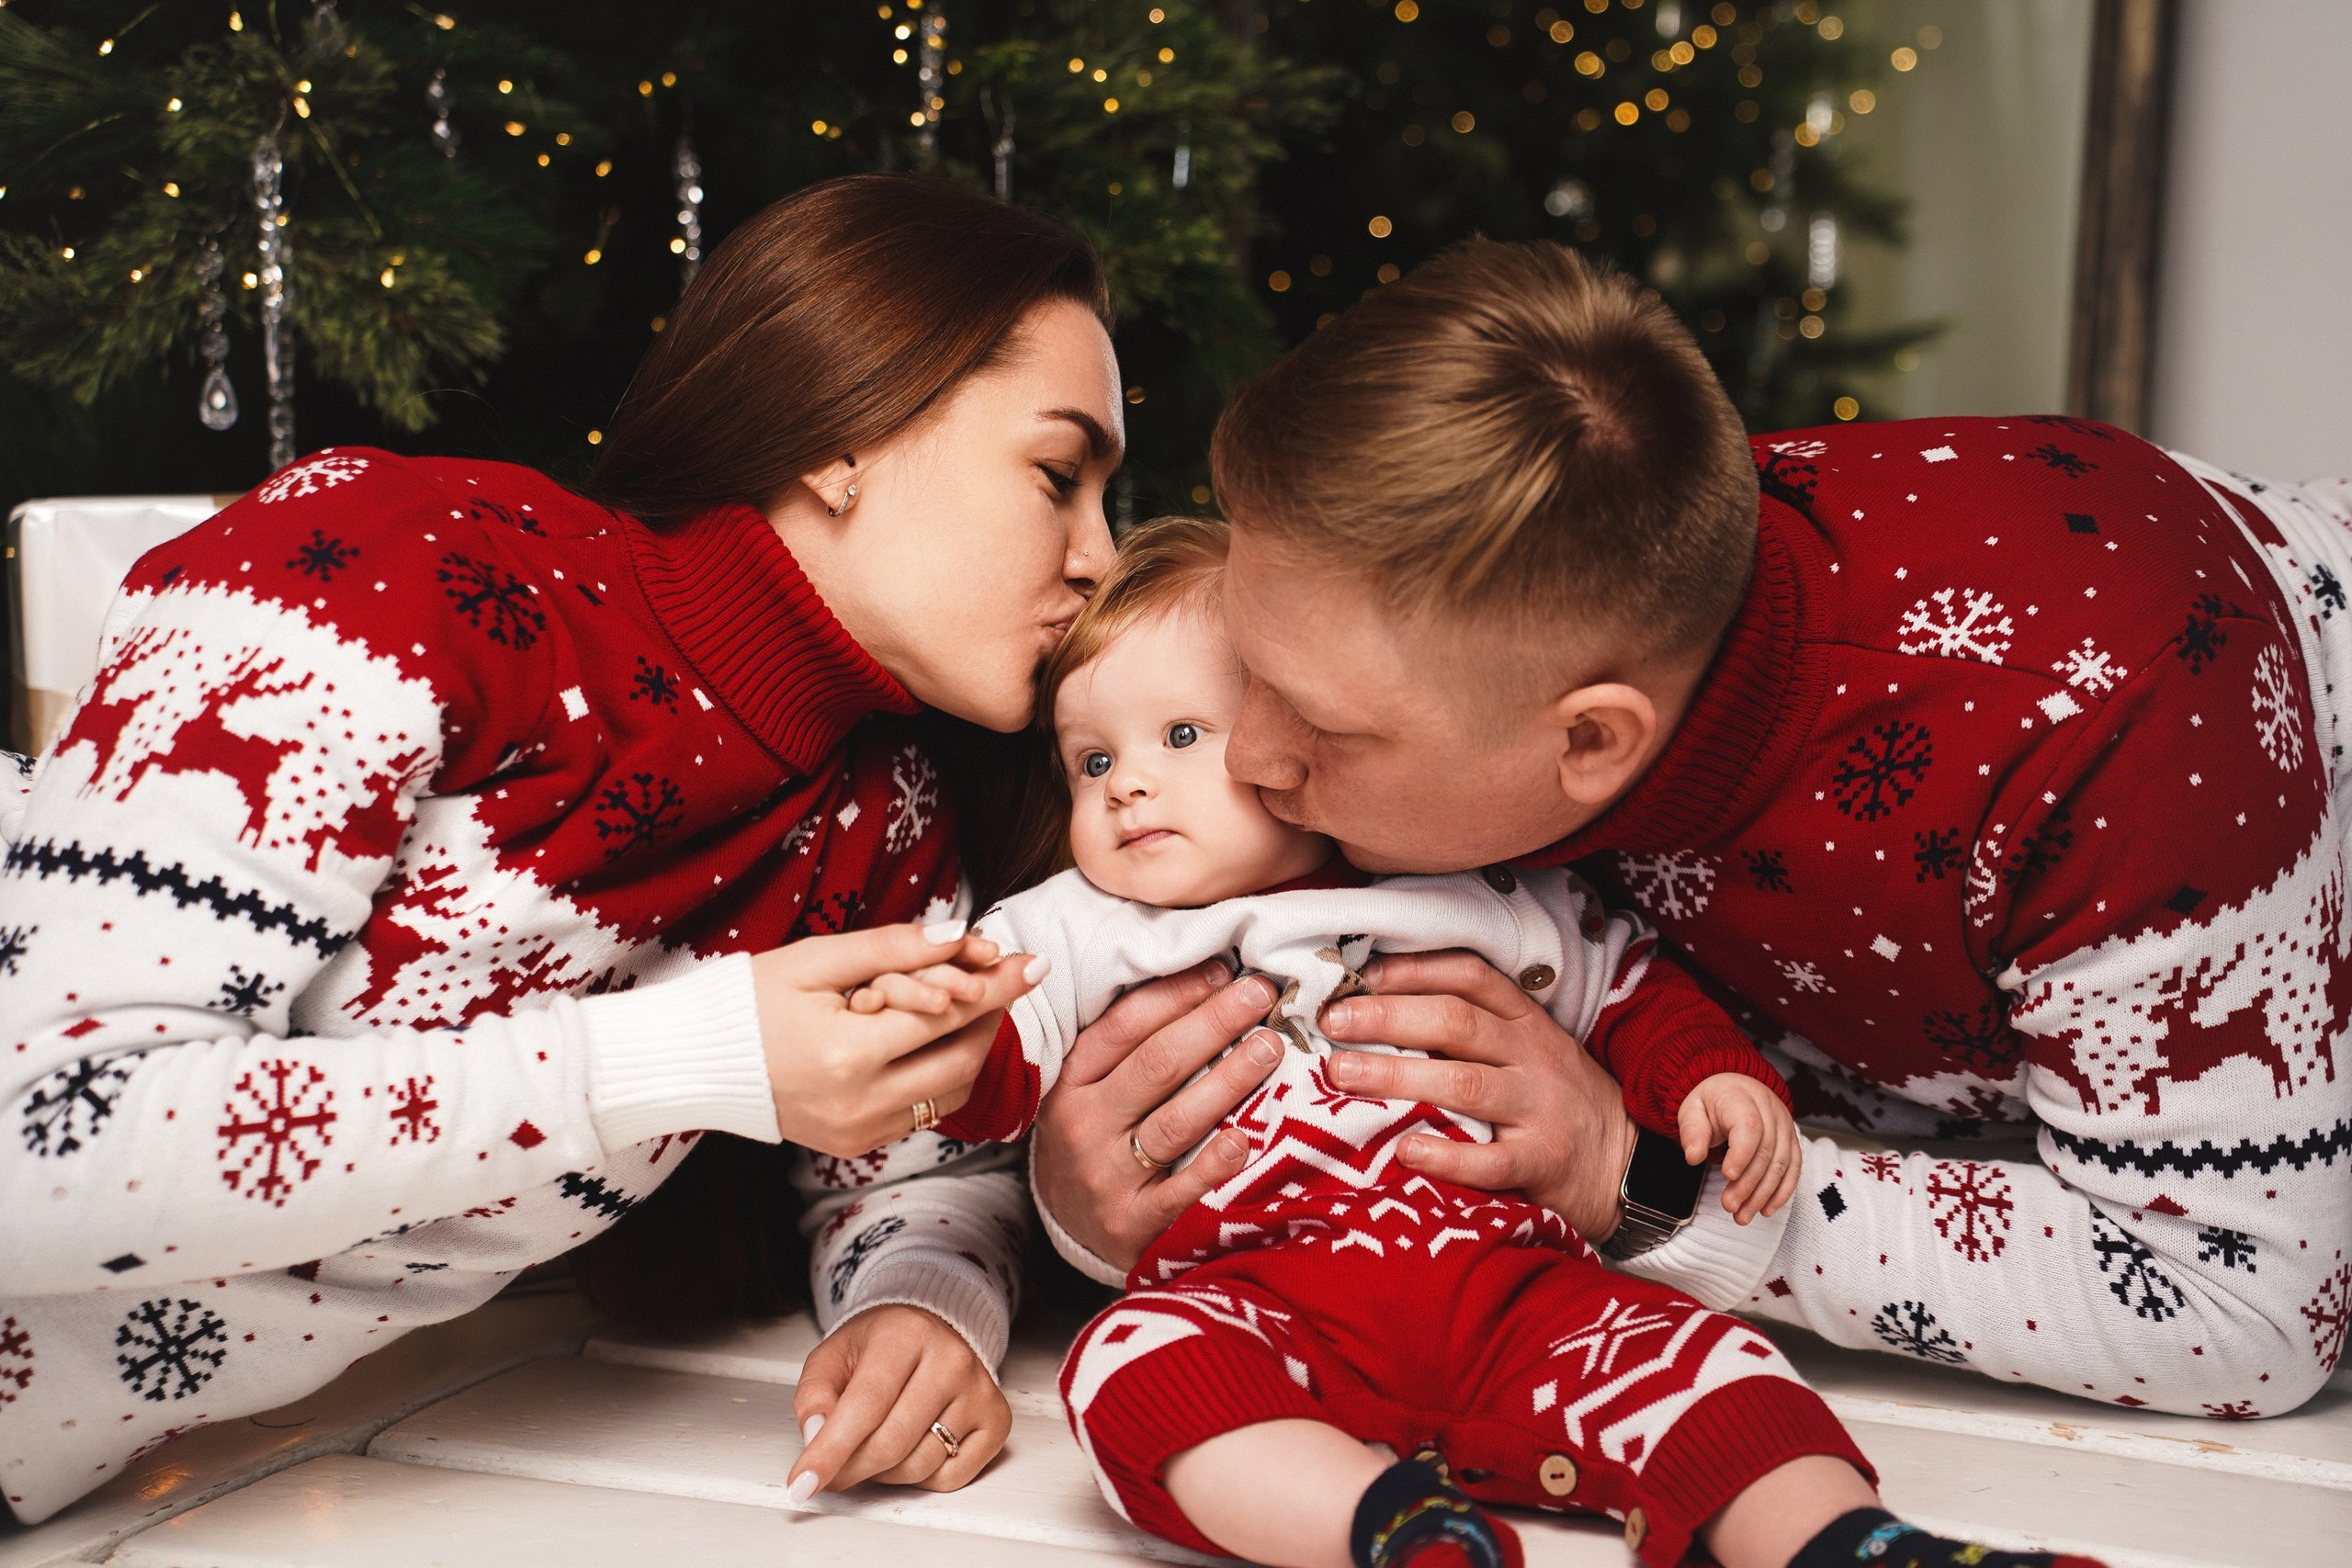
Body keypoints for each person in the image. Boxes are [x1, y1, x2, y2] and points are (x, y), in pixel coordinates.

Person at [1029, 239, 2352, 1450]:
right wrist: (1099, 1193)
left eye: (1318, 725)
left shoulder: (2117, 736)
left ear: (1593, 744)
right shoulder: (1546, 573)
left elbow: (2246, 1306)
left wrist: (1645, 1183)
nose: (1251, 760)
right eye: (1241, 672)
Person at [0, 174, 1117, 1523]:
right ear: (850, 432)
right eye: (1060, 476)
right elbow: (37, 1141)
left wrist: (919, 1304)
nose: (1101, 556)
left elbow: (916, 1178)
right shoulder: (389, 571)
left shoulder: (881, 824)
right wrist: (677, 1060)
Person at [857, 517, 2102, 1568]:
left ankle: (1846, 1544)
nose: (1127, 786)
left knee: (1711, 1367)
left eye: (1181, 737)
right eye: (1091, 760)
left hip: (1520, 1288)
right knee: (1128, 1369)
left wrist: (1714, 1078)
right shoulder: (1089, 927)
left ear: (1294, 733)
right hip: (1256, 1302)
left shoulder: (1467, 887)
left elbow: (1627, 992)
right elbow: (997, 1054)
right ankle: (1382, 1529)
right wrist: (947, 1044)